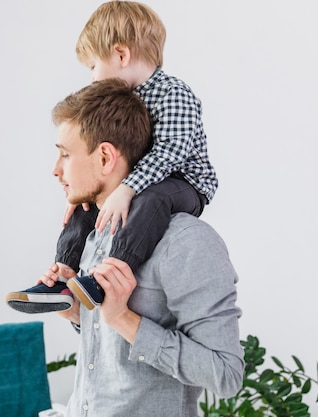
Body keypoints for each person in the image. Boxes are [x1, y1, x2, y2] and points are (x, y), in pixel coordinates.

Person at [45, 77, 244, 416]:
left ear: (105, 157)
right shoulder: (96, 233)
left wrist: (124, 318)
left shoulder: (187, 242)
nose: (55, 170)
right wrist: (77, 314)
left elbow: (226, 375)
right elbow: (112, 354)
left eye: (65, 154)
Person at [6, 1, 217, 313]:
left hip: (185, 182)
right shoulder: (126, 100)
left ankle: (110, 274)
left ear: (121, 55)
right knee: (87, 202)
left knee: (154, 198)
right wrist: (83, 187)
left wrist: (127, 188)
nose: (92, 77)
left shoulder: (173, 93)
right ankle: (63, 277)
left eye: (93, 66)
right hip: (144, 179)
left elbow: (170, 154)